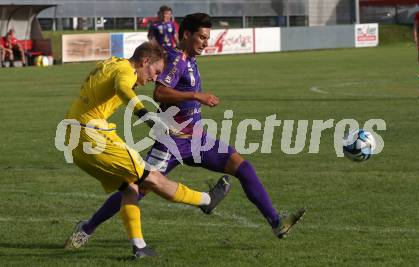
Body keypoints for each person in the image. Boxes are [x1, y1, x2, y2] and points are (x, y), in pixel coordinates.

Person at [65, 13, 305, 251]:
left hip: (196, 137)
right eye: (201, 37)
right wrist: (195, 95)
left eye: (207, 38)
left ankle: (276, 222)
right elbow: (159, 93)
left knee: (241, 166)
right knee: (138, 187)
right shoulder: (174, 59)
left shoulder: (188, 59)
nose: (205, 42)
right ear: (187, 34)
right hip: (172, 140)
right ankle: (87, 228)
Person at [62, 42, 231, 259]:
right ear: (144, 62)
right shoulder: (126, 71)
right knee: (152, 179)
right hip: (92, 136)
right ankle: (207, 200)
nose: (154, 78)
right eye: (156, 72)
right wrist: (146, 116)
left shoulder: (113, 63)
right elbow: (123, 88)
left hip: (73, 139)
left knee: (131, 188)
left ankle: (137, 246)